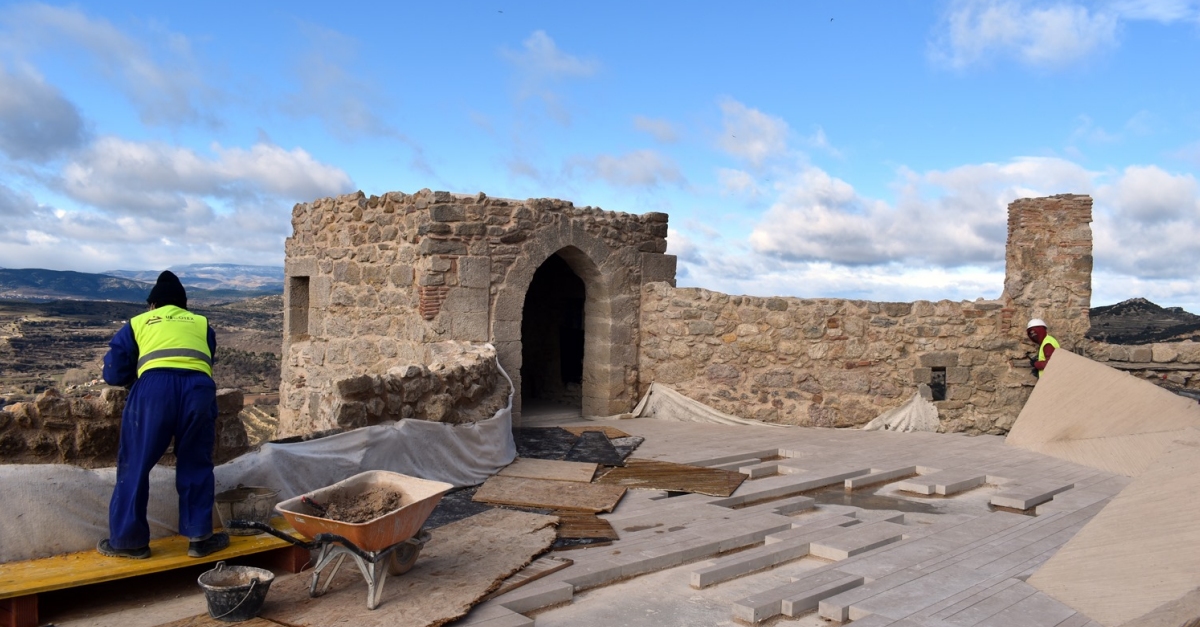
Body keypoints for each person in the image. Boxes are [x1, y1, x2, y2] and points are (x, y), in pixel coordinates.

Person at [97, 271, 228, 559]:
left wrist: (139, 376)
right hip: (198, 389)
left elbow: (114, 372)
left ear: (153, 305)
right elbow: (206, 359)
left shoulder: (138, 322)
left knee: (135, 464)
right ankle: (199, 538)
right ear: (183, 305)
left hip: (154, 391)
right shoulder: (201, 323)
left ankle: (128, 542)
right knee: (196, 461)